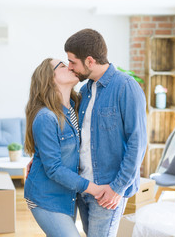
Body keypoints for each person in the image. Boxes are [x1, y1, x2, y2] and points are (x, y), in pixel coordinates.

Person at [64, 28, 147, 237]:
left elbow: (138, 142)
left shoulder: (126, 87)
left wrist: (117, 188)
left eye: (73, 61)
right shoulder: (85, 90)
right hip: (85, 187)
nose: (69, 67)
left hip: (107, 191)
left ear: (90, 61)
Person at [23, 58, 104, 237]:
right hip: (45, 197)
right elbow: (53, 168)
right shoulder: (46, 117)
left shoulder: (76, 107)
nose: (70, 67)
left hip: (66, 196)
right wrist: (92, 188)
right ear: (49, 78)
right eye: (63, 66)